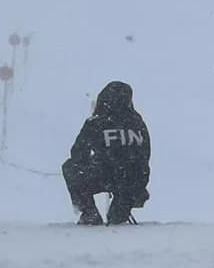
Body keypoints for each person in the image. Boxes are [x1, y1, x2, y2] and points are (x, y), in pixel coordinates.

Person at [64, 81, 151, 225]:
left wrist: (93, 163)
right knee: (117, 219)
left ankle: (90, 213)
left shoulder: (96, 122)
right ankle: (121, 212)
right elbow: (146, 154)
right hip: (134, 180)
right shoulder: (138, 122)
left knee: (70, 167)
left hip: (105, 175)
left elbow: (77, 153)